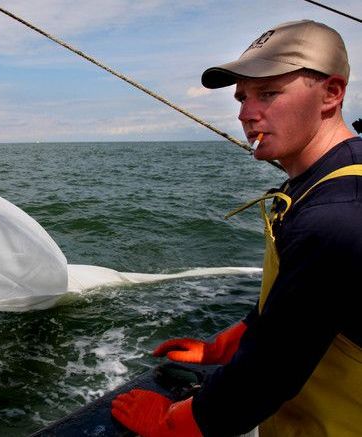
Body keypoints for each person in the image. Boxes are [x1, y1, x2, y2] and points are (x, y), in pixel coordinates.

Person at [111, 19, 362, 437]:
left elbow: (269, 375)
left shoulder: (336, 215)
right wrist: (221, 348)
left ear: (331, 94)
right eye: (242, 97)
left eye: (269, 93)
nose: (246, 114)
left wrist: (171, 423)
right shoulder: (321, 179)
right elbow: (296, 303)